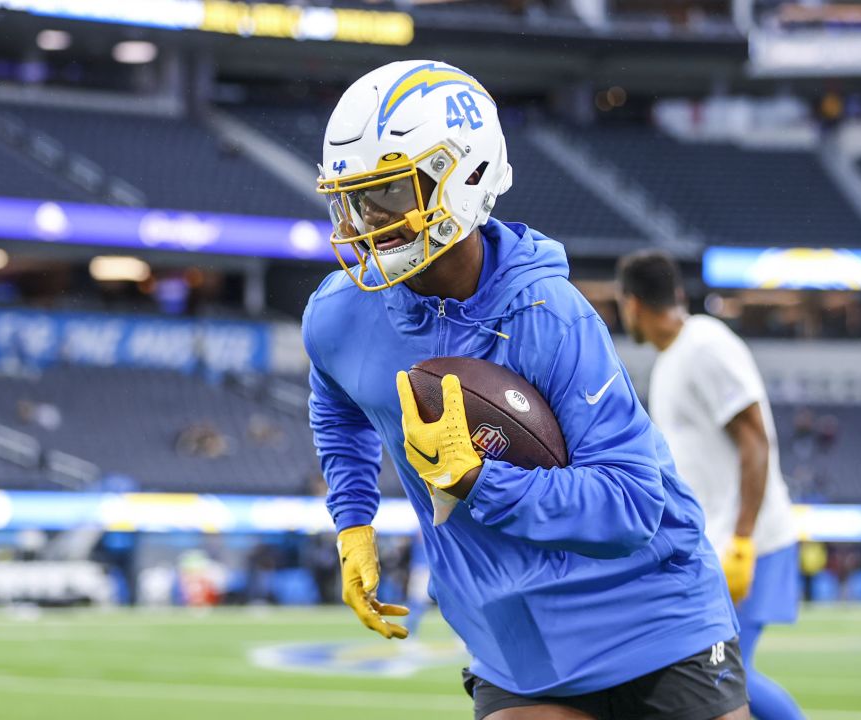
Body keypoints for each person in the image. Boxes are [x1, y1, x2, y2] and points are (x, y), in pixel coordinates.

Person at [305, 60, 746, 720]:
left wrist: (480, 481)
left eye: (388, 195)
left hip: (650, 617)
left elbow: (631, 506)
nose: (362, 223)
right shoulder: (340, 314)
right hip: (515, 640)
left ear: (465, 176)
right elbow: (336, 399)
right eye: (350, 200)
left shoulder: (552, 317)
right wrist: (354, 523)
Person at [616, 251, 805, 720]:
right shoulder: (670, 362)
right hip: (715, 544)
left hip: (748, 543)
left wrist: (742, 539)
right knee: (712, 676)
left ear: (632, 304)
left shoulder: (705, 344)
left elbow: (756, 439)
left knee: (721, 676)